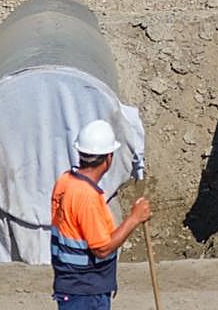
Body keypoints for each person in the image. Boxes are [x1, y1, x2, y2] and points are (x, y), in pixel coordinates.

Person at [50, 119, 151, 310]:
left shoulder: (65, 181)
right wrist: (134, 218)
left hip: (73, 285)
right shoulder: (86, 196)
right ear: (108, 158)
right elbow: (102, 249)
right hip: (85, 289)